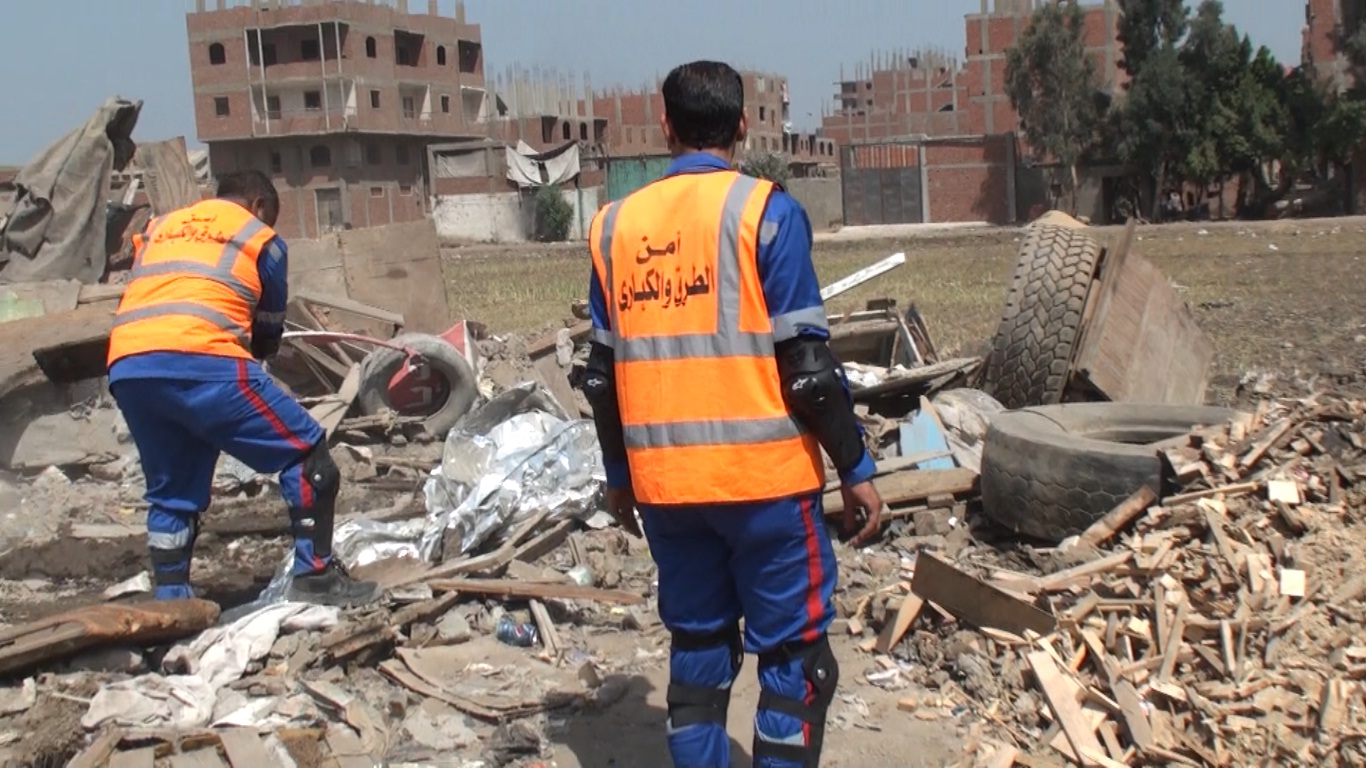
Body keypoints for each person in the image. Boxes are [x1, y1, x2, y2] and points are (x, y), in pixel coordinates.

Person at [582, 60, 885, 768]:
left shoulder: (613, 227)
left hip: (667, 492)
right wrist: (855, 467)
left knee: (698, 652)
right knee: (796, 663)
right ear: (744, 124)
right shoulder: (765, 214)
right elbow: (808, 372)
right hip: (766, 488)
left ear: (665, 126)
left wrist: (620, 478)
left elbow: (601, 379)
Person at [106, 170, 379, 608]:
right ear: (258, 206)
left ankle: (172, 600)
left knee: (171, 491)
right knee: (307, 453)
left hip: (129, 365)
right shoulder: (258, 236)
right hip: (205, 358)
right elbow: (268, 328)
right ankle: (315, 577)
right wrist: (259, 353)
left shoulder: (161, 227)